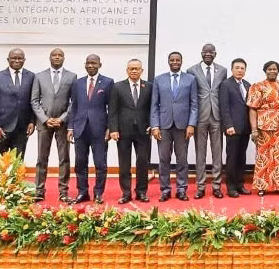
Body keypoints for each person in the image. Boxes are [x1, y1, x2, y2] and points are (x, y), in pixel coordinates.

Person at [151, 52, 198, 202]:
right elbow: (154, 105)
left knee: (182, 159)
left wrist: (191, 124)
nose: (175, 62)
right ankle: (165, 190)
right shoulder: (159, 80)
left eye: (178, 60)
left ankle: (181, 189)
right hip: (163, 126)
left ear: (182, 61)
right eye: (172, 60)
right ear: (168, 62)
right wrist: (155, 125)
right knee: (164, 159)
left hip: (183, 126)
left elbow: (194, 104)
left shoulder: (190, 79)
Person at [31, 48, 76, 203]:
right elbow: (34, 101)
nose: (57, 57)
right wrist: (45, 119)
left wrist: (63, 118)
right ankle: (39, 191)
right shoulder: (39, 76)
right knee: (41, 158)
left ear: (64, 58)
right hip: (44, 124)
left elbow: (73, 102)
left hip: (62, 124)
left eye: (60, 55)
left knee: (64, 158)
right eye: (54, 55)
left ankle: (63, 192)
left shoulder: (72, 76)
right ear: (49, 57)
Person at [68, 54, 113, 204]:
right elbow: (73, 106)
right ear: (85, 65)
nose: (91, 66)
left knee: (100, 163)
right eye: (88, 63)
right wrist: (70, 127)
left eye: (94, 63)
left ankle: (98, 193)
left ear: (100, 65)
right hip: (80, 128)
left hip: (99, 129)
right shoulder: (77, 83)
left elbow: (111, 108)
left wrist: (110, 127)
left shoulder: (107, 82)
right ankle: (83, 192)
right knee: (80, 163)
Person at [246, 61, 279, 196]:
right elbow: (252, 109)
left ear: (278, 71)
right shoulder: (257, 86)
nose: (272, 71)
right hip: (264, 126)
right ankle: (262, 186)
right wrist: (254, 129)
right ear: (265, 70)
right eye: (269, 69)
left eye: (275, 69)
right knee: (264, 156)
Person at [108, 59, 152, 204]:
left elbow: (153, 108)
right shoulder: (117, 87)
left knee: (142, 163)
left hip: (143, 131)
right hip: (123, 131)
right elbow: (112, 110)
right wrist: (113, 129)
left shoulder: (149, 87)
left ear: (142, 71)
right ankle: (126, 193)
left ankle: (141, 192)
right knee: (124, 163)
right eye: (131, 68)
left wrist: (152, 124)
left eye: (137, 69)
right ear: (127, 70)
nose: (134, 71)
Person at [187, 43, 227, 199]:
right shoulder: (191, 71)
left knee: (217, 153)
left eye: (211, 52)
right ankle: (201, 186)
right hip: (200, 117)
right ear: (201, 53)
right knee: (200, 153)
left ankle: (217, 186)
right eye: (205, 52)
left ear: (215, 54)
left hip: (217, 117)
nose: (208, 54)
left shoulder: (222, 70)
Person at [0, 48, 35, 157]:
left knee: (17, 164)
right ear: (8, 59)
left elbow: (33, 100)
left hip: (22, 128)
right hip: (1, 128)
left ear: (24, 60)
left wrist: (32, 121)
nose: (17, 60)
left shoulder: (31, 77)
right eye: (13, 58)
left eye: (20, 58)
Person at [219, 58, 252, 198]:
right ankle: (231, 187)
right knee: (232, 158)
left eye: (242, 68)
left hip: (245, 128)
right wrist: (228, 125)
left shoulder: (247, 84)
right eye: (237, 68)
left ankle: (240, 184)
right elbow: (224, 107)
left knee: (241, 157)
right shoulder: (226, 84)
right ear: (232, 69)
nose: (239, 70)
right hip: (232, 128)